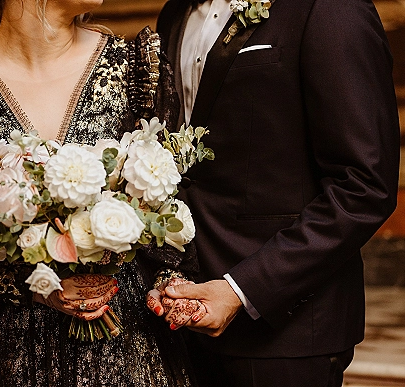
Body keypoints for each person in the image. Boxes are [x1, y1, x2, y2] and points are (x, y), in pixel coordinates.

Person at [0, 0, 198, 385]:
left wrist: (169, 280)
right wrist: (30, 284)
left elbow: (171, 200)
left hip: (125, 341)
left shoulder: (134, 67)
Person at [147, 0, 401, 386]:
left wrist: (241, 289)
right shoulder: (174, 13)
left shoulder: (331, 9)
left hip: (284, 327)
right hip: (180, 312)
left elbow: (364, 186)